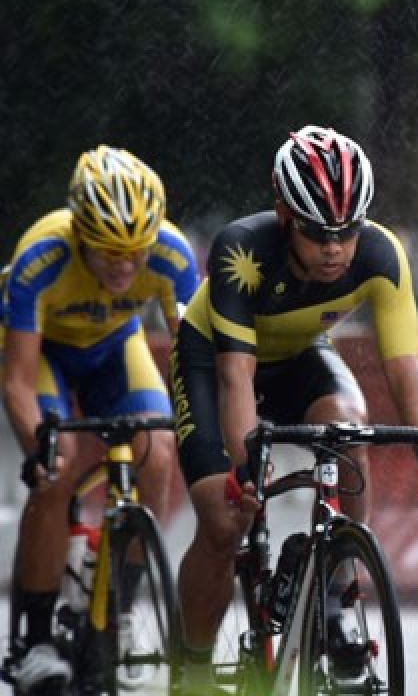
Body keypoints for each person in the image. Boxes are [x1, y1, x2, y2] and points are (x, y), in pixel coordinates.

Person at [171, 125, 418, 690]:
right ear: (286, 216)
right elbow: (237, 377)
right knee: (221, 520)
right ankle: (189, 667)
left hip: (299, 355)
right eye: (317, 234)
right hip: (215, 360)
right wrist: (245, 471)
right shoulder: (242, 250)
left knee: (349, 429)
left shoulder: (382, 256)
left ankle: (335, 588)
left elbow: (405, 370)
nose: (335, 249)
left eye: (347, 232)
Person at [1, 147, 199, 694]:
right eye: (110, 252)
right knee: (58, 466)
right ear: (80, 234)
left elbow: (194, 360)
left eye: (135, 253)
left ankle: (123, 610)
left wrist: (201, 430)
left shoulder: (172, 254)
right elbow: (17, 378)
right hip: (46, 356)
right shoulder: (42, 254)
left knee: (158, 450)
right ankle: (35, 638)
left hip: (115, 348)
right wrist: (36, 445)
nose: (125, 267)